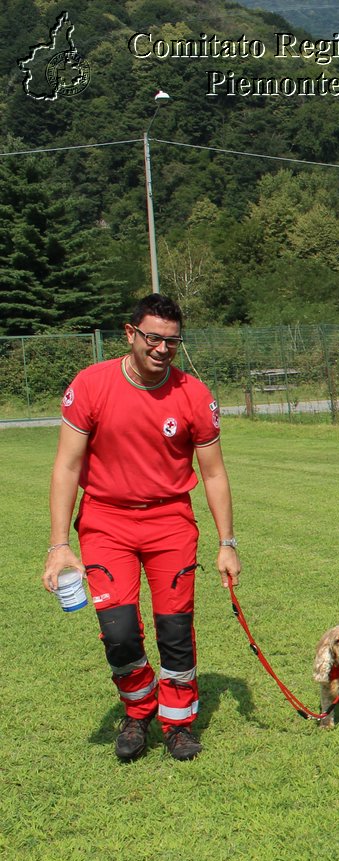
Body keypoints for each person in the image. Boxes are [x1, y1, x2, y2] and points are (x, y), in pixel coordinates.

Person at [42, 293, 239, 762]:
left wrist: (227, 542)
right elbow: (67, 467)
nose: (162, 348)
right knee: (119, 631)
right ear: (130, 334)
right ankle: (137, 709)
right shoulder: (91, 385)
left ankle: (178, 722)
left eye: (172, 340)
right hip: (105, 521)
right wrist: (57, 545)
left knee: (175, 627)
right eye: (153, 337)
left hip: (170, 522)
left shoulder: (193, 394)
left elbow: (213, 473)